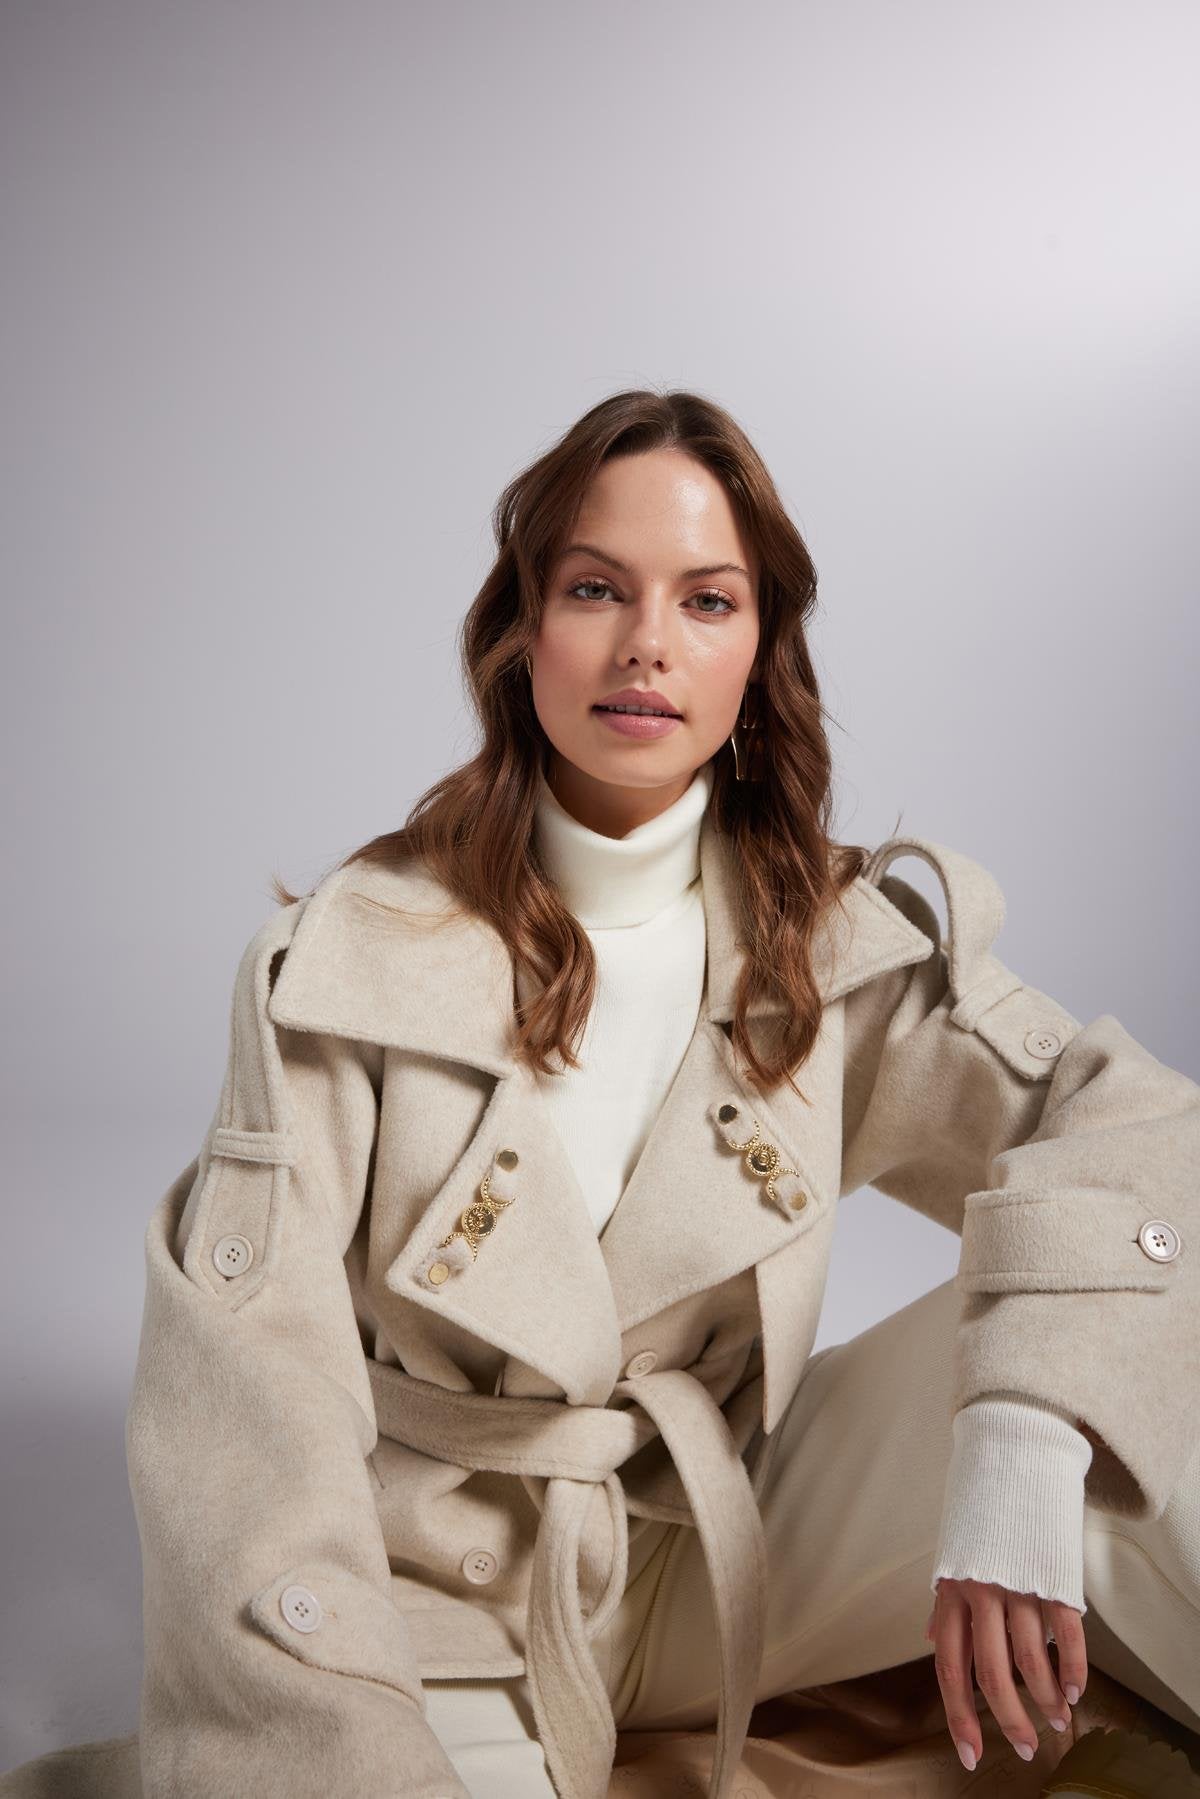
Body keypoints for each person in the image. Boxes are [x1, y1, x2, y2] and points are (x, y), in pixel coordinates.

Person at [3, 389, 1197, 1799]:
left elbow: (1135, 1130)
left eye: (706, 600)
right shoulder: (352, 964)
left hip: (721, 1543)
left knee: (1124, 1334)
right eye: (594, 589)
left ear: (761, 650)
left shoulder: (828, 943)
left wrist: (1017, 1447)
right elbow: (243, 1403)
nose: (646, 645)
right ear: (520, 636)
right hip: (442, 1600)